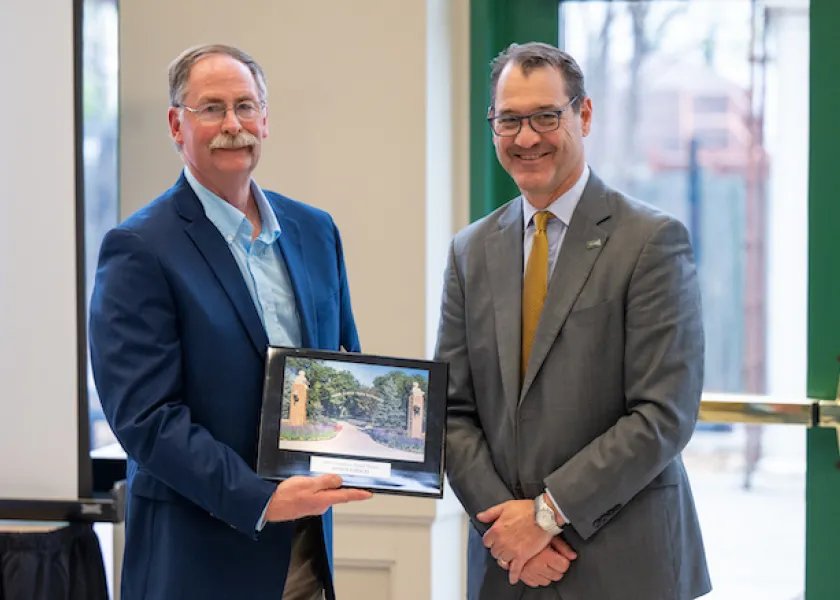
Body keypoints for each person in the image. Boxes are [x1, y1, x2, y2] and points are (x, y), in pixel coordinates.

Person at [89, 44, 372, 600]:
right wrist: (261, 500)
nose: (232, 125)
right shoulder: (139, 248)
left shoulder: (316, 231)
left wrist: (385, 454)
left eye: (245, 106)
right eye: (212, 108)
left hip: (306, 554)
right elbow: (146, 419)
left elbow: (343, 364)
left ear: (265, 119)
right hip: (198, 562)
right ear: (177, 125)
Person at [435, 42, 710, 600]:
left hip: (624, 567)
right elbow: (451, 410)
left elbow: (663, 413)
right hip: (507, 567)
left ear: (583, 116)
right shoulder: (470, 251)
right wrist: (510, 532)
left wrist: (544, 516)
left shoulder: (651, 242)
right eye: (509, 120)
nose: (526, 138)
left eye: (545, 116)